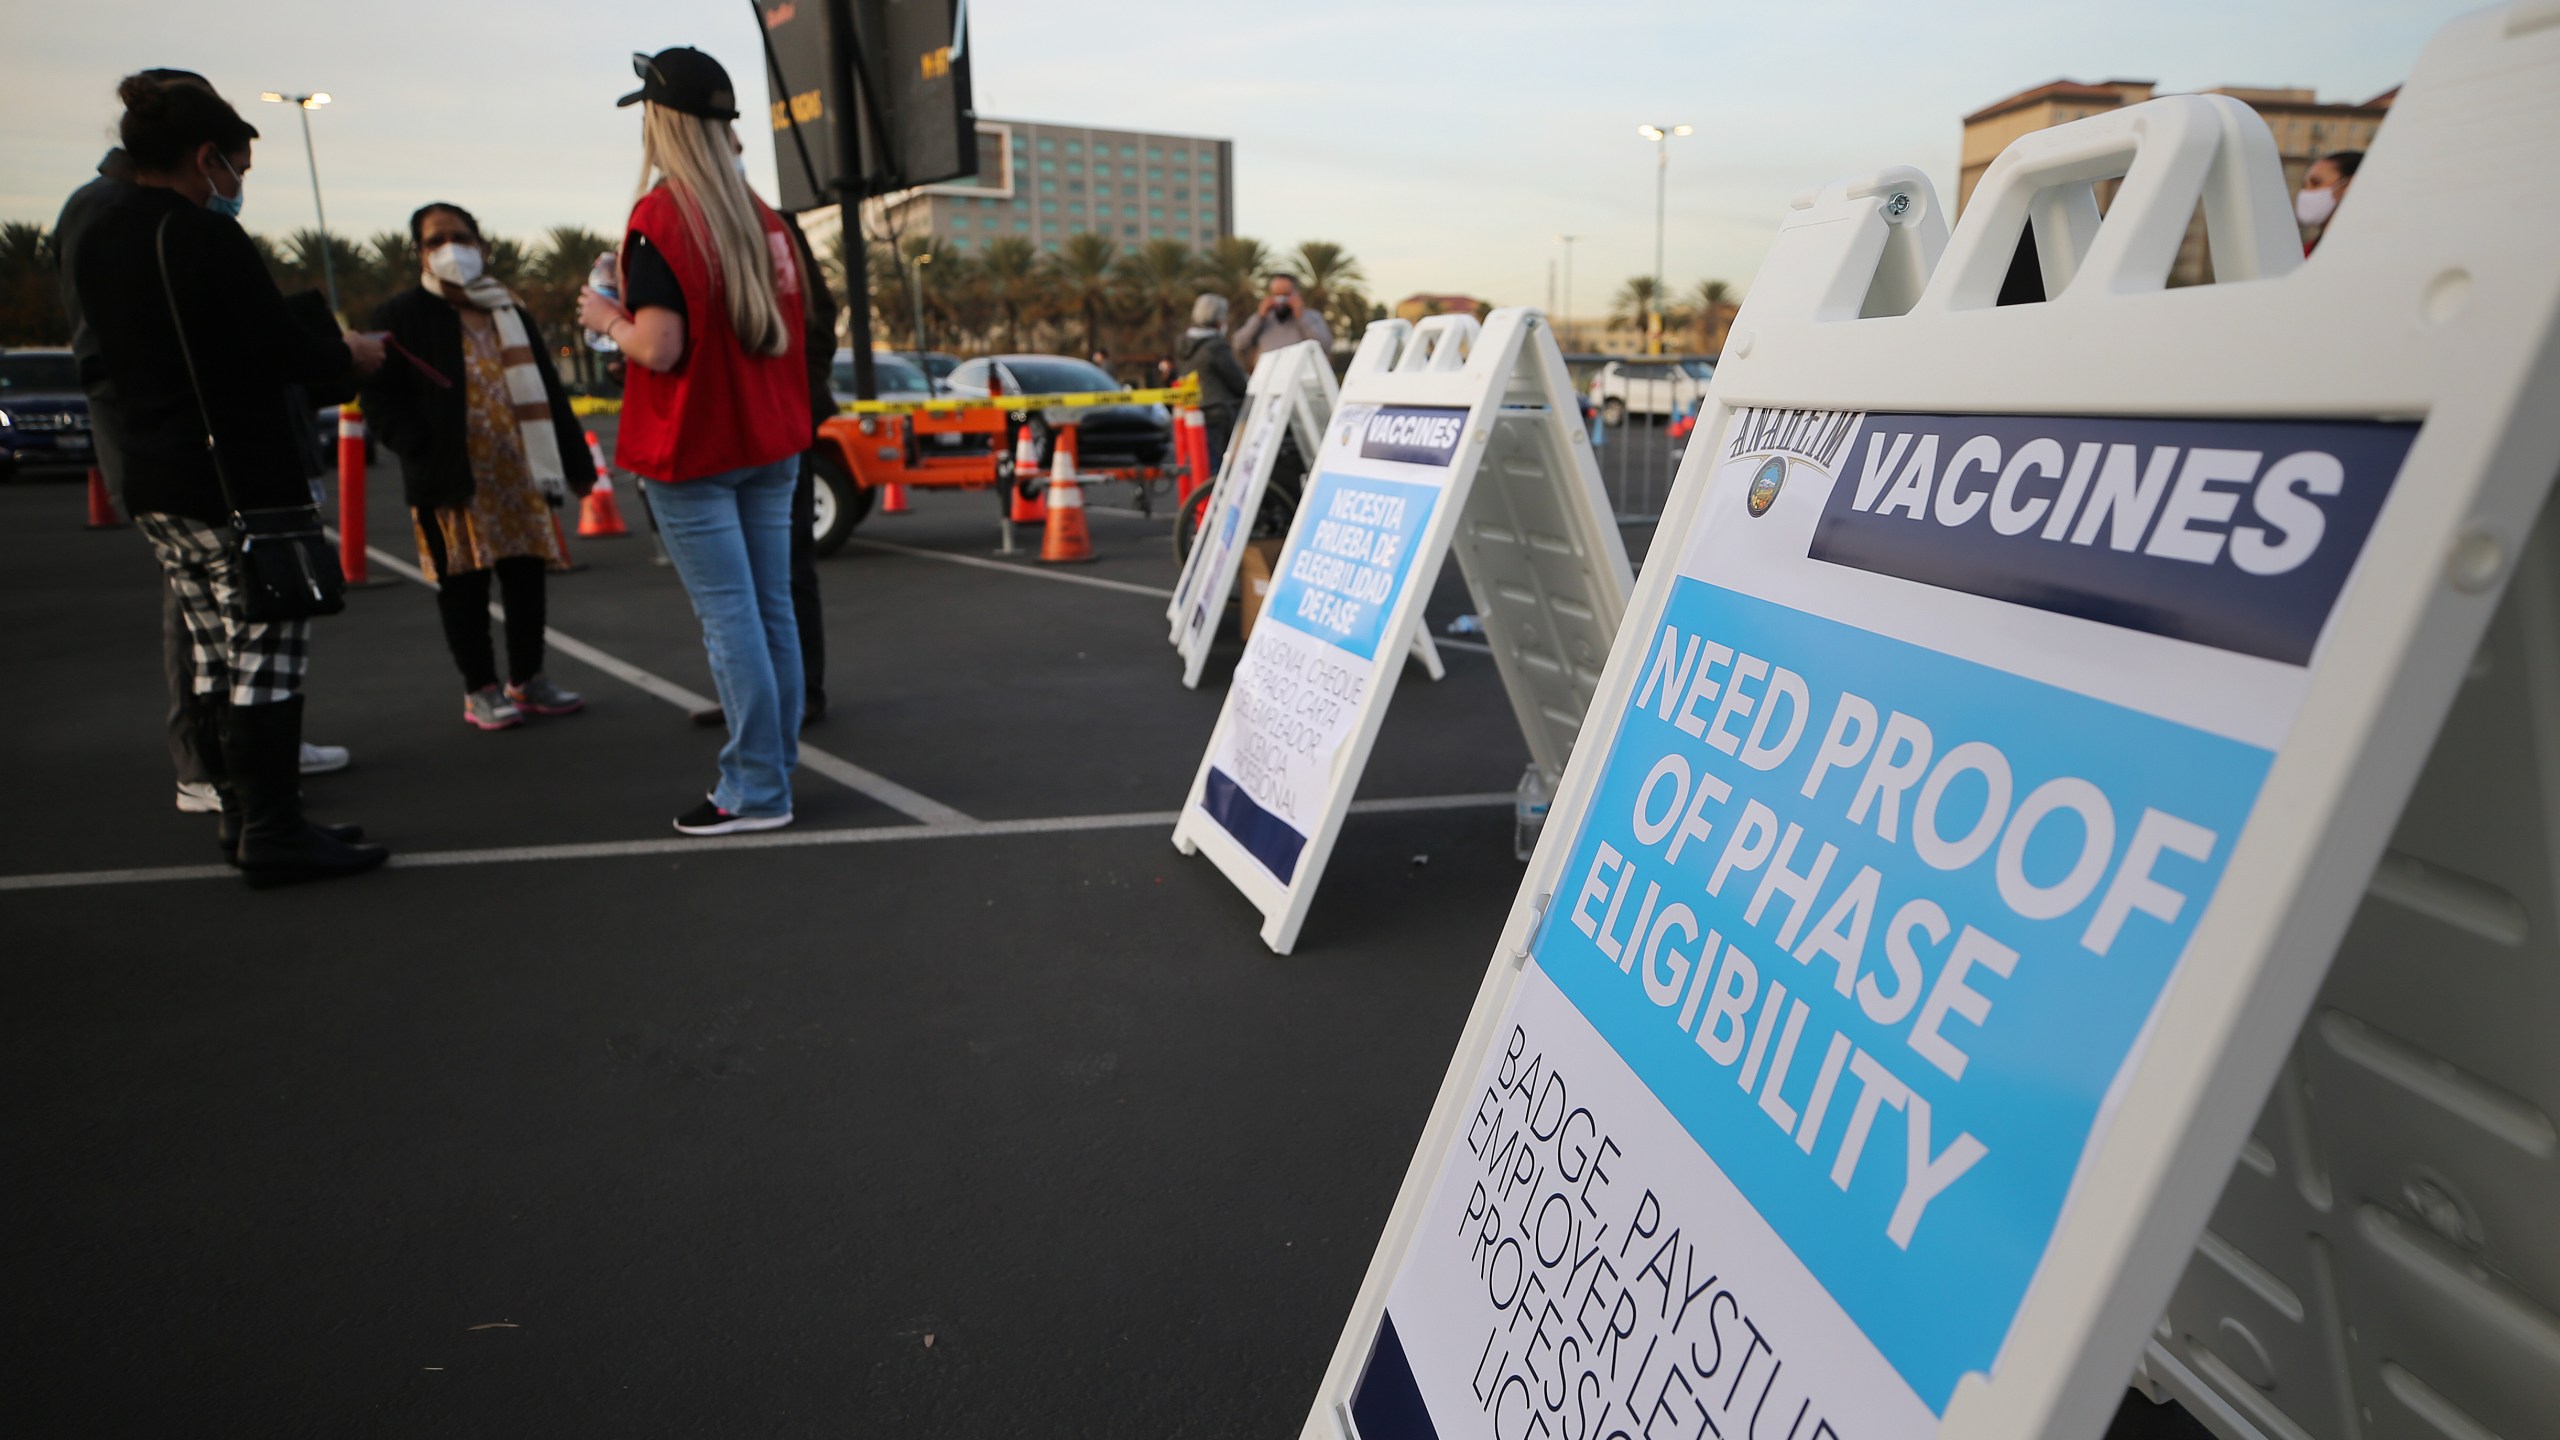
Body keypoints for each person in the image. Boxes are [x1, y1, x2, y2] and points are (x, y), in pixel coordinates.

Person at [66, 71, 387, 886]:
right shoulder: (200, 235)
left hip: (157, 475)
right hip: (236, 480)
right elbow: (276, 352)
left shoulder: (99, 232)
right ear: (205, 157)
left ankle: (244, 819)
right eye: (236, 167)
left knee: (212, 653)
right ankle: (276, 829)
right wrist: (345, 357)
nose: (237, 185)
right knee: (268, 652)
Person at [579, 47, 811, 836]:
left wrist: (604, 316)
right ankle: (771, 774)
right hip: (768, 441)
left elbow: (661, 346)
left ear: (659, 121)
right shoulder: (765, 218)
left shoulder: (661, 218)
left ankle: (755, 788)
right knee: (768, 612)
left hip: (696, 447)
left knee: (733, 619)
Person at [363, 201, 591, 730]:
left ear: (483, 246)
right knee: (462, 587)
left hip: (518, 475)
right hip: (449, 479)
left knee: (526, 581)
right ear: (419, 253)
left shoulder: (508, 309)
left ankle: (527, 679)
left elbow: (550, 393)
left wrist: (577, 463)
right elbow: (377, 397)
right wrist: (415, 442)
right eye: (436, 240)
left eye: (461, 238)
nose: (451, 249)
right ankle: (481, 689)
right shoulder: (400, 317)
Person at [687, 214, 837, 730]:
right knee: (733, 583)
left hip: (776, 427)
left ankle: (799, 696)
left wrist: (793, 395)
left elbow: (819, 319)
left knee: (786, 570)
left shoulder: (770, 224)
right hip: (717, 429)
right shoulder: (679, 225)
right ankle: (751, 699)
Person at [1175, 293, 1248, 470]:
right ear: (1218, 319)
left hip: (1193, 412)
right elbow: (1238, 383)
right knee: (1217, 468)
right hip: (1217, 413)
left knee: (1202, 465)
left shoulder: (1184, 345)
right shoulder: (1215, 347)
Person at [1230, 273, 1332, 370]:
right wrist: (1259, 317)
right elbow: (1239, 344)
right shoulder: (1261, 318)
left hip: (1300, 378)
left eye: (1286, 294)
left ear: (1296, 294)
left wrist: (1301, 317)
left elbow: (1325, 345)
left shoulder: (1312, 317)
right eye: (1277, 294)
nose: (1281, 300)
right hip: (1267, 378)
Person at [2297, 150, 2361, 254]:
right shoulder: (2307, 251)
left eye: (2315, 183)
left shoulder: (2362, 251)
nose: (2305, 192)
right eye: (2304, 185)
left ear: (2348, 185)